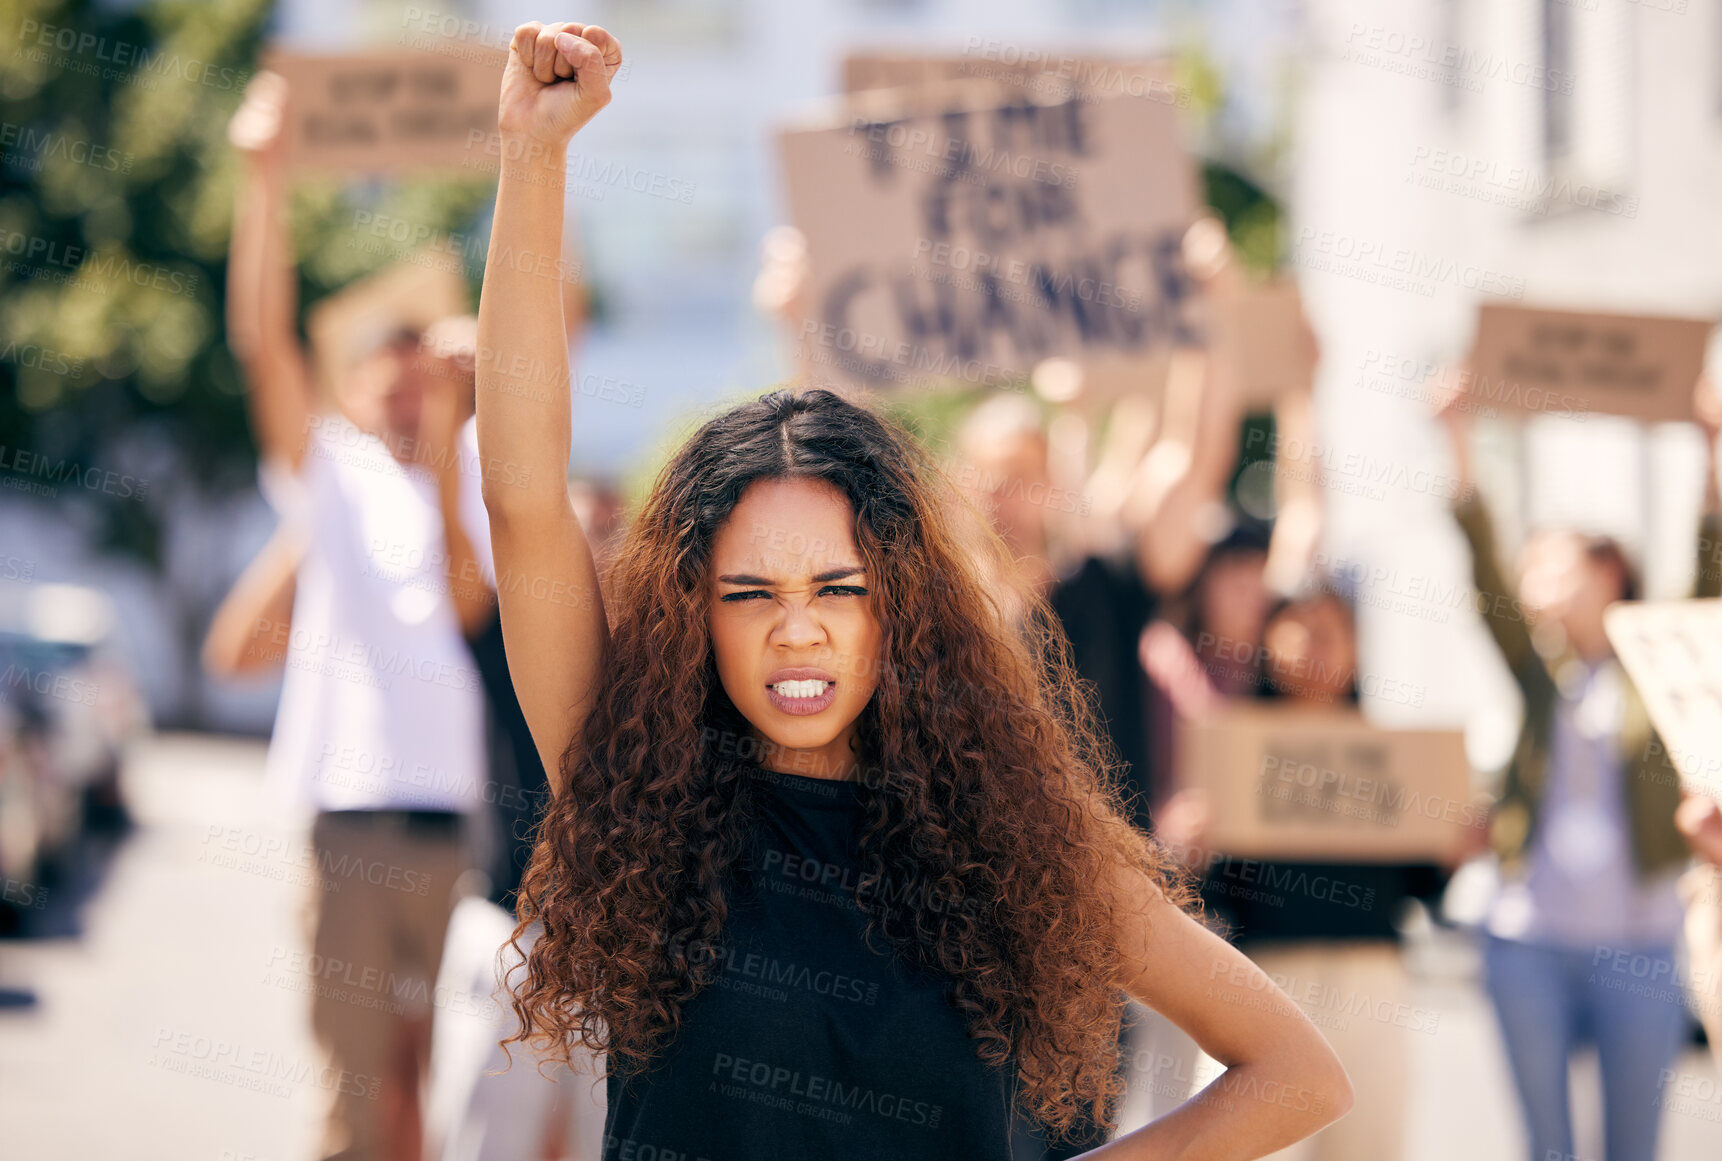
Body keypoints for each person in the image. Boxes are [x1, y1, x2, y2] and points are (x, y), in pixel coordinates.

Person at [474, 22, 1354, 1160]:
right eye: (748, 594)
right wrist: (532, 157)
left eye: (837, 588)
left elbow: (1297, 1074)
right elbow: (522, 499)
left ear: (902, 607)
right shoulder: (642, 796)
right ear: (695, 614)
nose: (798, 631)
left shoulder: (1017, 840)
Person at [223, 73, 491, 1161]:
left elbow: (470, 602)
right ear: (352, 378)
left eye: (418, 357)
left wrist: (448, 446)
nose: (402, 375)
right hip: (351, 822)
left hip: (447, 822)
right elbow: (262, 345)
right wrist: (264, 184)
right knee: (350, 1093)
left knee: (418, 1088)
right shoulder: (327, 472)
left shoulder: (466, 468)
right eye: (382, 357)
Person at [1437, 380, 1722, 1161]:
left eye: (1551, 564)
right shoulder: (1540, 670)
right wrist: (1456, 436)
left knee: (1635, 1148)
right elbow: (1485, 575)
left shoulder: (1657, 660)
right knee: (1546, 1149)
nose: (1533, 579)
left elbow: (1711, 572)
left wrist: (1711, 449)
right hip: (1528, 943)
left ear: (1605, 572)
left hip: (1642, 943)